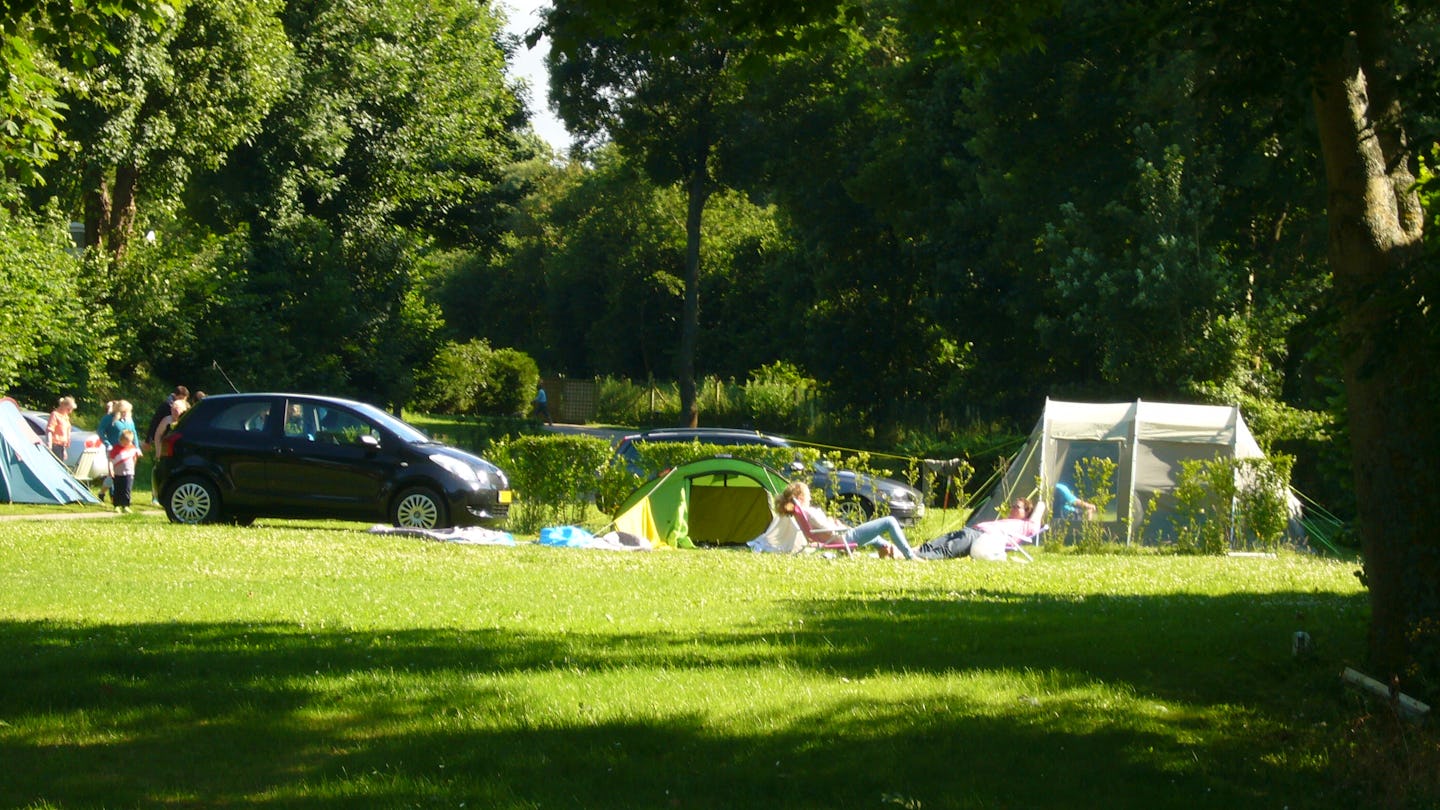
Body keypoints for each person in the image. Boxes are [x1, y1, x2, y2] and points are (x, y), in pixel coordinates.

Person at [775, 481, 917, 559]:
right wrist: (836, 524)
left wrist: (831, 522)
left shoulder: (800, 513)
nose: (810, 498)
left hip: (835, 538)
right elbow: (829, 529)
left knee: (874, 535)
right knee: (889, 521)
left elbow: (821, 529)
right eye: (808, 495)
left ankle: (887, 550)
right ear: (800, 498)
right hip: (844, 538)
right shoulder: (809, 512)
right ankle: (910, 556)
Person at [914, 496, 1047, 561]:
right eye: (1013, 505)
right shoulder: (1007, 520)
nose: (1012, 508)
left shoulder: (1026, 526)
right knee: (936, 542)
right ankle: (908, 550)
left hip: (980, 537)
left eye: (1017, 507)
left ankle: (908, 555)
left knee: (946, 550)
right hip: (971, 530)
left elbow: (1041, 505)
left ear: (1027, 512)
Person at [108, 429, 142, 514]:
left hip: (129, 472)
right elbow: (111, 460)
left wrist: (133, 468)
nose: (128, 443)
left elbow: (134, 458)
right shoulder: (116, 449)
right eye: (127, 442)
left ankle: (125, 505)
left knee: (127, 489)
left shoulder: (132, 448)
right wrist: (111, 469)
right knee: (118, 489)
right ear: (121, 440)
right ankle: (116, 505)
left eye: (130, 441)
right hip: (118, 473)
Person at [46, 396, 76, 464]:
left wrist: (64, 450)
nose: (70, 411)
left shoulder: (65, 417)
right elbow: (49, 430)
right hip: (55, 445)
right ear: (63, 406)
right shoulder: (55, 415)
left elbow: (65, 433)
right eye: (68, 409)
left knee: (60, 465)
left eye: (71, 409)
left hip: (62, 446)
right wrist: (49, 444)